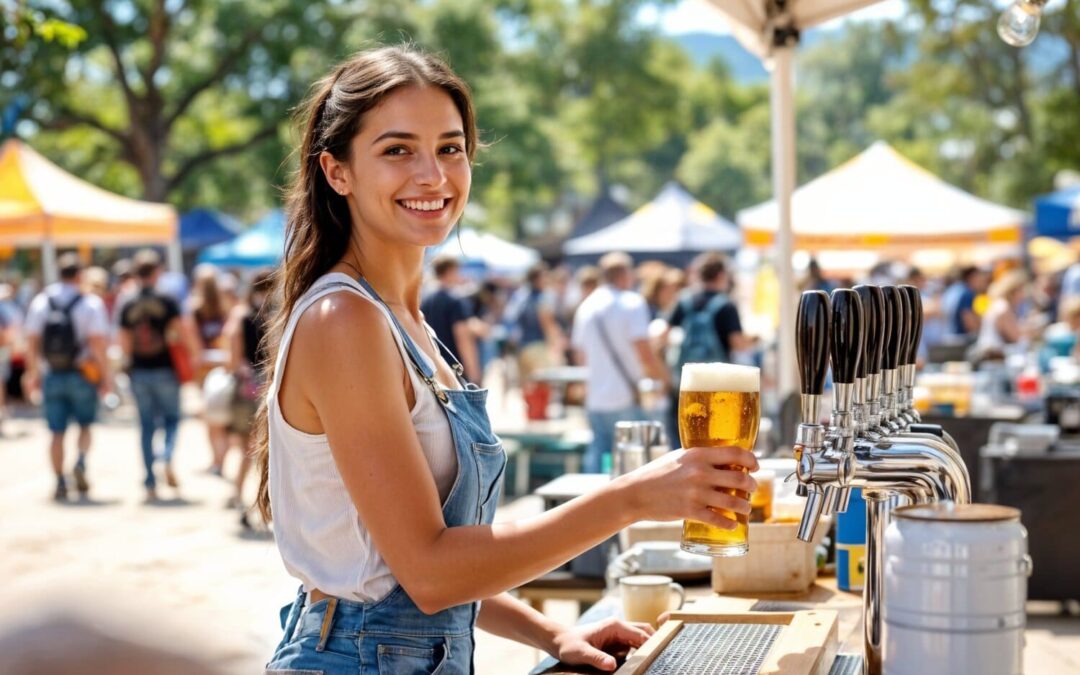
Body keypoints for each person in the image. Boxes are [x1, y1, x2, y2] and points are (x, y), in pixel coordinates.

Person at [254, 46, 756, 675]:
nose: (433, 175)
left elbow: (406, 571)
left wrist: (554, 634)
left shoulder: (407, 325)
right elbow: (429, 573)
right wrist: (631, 498)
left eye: (450, 147)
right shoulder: (344, 320)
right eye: (397, 150)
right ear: (337, 171)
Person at [22, 253, 112, 500]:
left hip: (52, 373)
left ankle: (60, 481)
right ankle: (81, 462)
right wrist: (106, 378)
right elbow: (97, 345)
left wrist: (33, 374)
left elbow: (31, 341)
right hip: (83, 373)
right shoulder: (90, 303)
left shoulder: (42, 301)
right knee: (85, 425)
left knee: (56, 432)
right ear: (80, 275)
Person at [572, 252, 671, 473]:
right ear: (624, 274)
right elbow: (644, 353)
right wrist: (663, 382)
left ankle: (593, 506)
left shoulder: (586, 307)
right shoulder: (632, 303)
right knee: (635, 463)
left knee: (598, 457)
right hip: (627, 396)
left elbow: (580, 356)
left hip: (597, 397)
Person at [117, 249, 198, 500]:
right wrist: (193, 357)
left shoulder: (127, 301)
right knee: (172, 419)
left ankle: (150, 480)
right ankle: (165, 455)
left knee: (146, 425)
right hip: (166, 368)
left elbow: (124, 342)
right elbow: (179, 332)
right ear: (157, 272)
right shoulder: (167, 299)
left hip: (139, 370)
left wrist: (127, 366)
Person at [664, 253, 753, 446]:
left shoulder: (684, 300)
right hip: (720, 385)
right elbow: (738, 343)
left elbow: (661, 336)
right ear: (721, 275)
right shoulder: (726, 305)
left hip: (686, 379)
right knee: (715, 438)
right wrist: (754, 340)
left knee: (683, 437)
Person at [223, 270, 274, 523]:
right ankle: (256, 503)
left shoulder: (241, 315)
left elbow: (231, 358)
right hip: (266, 390)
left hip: (248, 390)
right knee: (264, 451)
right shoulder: (274, 315)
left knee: (246, 447)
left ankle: (239, 497)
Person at [187, 265, 233, 474]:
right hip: (225, 366)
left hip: (205, 370)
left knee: (211, 419)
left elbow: (194, 347)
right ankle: (220, 461)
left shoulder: (193, 310)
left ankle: (217, 461)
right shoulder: (227, 308)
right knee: (224, 418)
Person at [420, 255, 481, 383]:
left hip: (434, 367)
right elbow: (463, 337)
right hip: (456, 368)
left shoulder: (426, 300)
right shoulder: (455, 300)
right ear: (450, 271)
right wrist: (473, 373)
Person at [971, 270, 1031, 361]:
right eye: (1021, 291)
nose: (1024, 295)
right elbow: (1016, 338)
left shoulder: (998, 305)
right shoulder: (1003, 308)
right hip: (993, 359)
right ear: (1013, 291)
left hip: (989, 356)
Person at [941, 266, 988, 341]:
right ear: (972, 277)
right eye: (980, 278)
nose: (982, 282)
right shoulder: (967, 293)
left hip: (949, 337)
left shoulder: (954, 289)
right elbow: (969, 323)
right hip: (960, 340)